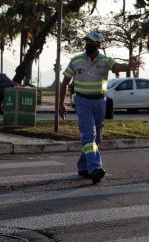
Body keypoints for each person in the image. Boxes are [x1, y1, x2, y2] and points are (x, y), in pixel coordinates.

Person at [59, 32, 140, 184]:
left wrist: (128, 66)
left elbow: (116, 66)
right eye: (87, 42)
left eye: (92, 42)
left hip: (100, 102)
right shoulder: (76, 61)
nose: (88, 44)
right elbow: (65, 83)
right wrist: (61, 104)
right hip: (82, 101)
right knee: (89, 135)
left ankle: (83, 166)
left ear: (98, 45)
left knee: (97, 138)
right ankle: (95, 168)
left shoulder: (105, 60)